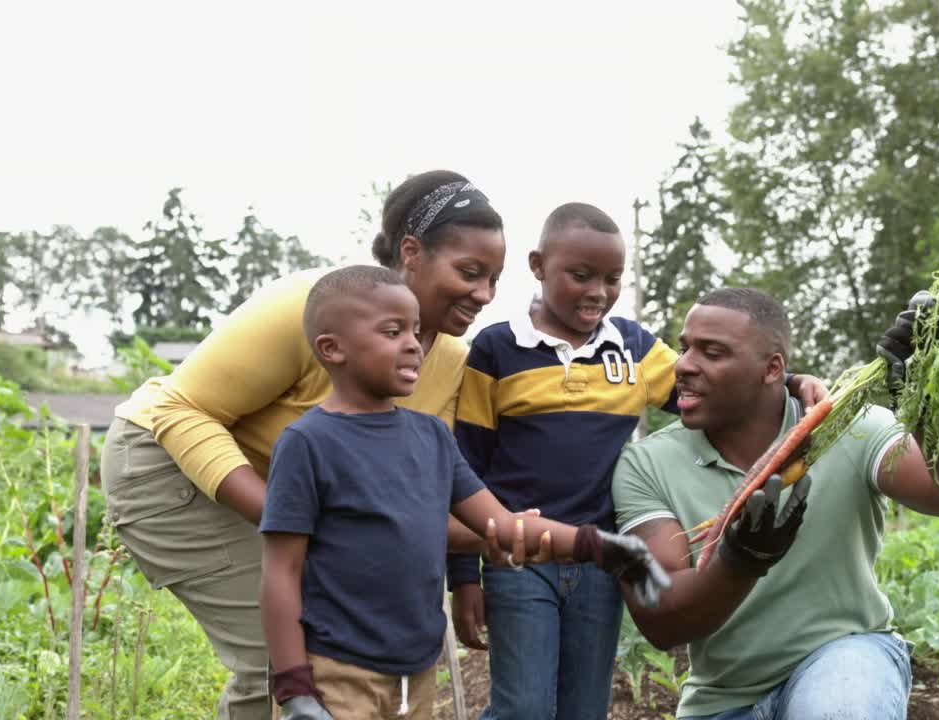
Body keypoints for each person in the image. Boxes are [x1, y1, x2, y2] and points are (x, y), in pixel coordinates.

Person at [99, 170, 532, 720]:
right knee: (284, 651)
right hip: (162, 463)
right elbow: (180, 409)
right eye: (470, 273)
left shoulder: (446, 360)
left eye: (495, 280)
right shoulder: (310, 308)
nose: (484, 295)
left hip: (277, 486)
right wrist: (299, 519)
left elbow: (417, 496)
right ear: (412, 251)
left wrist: (492, 544)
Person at [448, 204, 829, 720]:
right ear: (538, 266)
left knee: (585, 707)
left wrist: (787, 383)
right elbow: (465, 470)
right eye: (580, 276)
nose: (598, 292)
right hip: (520, 559)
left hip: (603, 561)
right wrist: (464, 578)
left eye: (612, 279)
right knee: (525, 707)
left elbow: (712, 386)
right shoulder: (497, 349)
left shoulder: (631, 347)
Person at [259, 266, 670, 720]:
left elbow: (504, 525)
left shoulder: (431, 436)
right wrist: (295, 687)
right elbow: (281, 570)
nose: (414, 344)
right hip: (334, 673)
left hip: (413, 675)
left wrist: (602, 547)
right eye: (392, 331)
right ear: (331, 349)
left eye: (415, 330)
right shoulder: (307, 443)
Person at [612, 288, 939, 720]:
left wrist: (934, 406)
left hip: (845, 663)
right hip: (723, 699)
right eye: (686, 347)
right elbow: (661, 621)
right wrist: (742, 560)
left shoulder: (849, 427)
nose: (684, 364)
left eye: (712, 352)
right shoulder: (648, 462)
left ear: (773, 369)